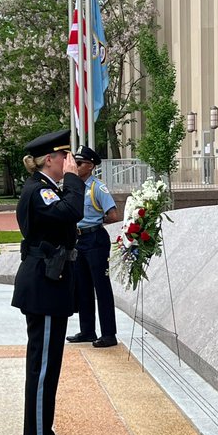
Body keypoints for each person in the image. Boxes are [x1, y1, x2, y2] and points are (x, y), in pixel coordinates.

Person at [12, 129, 84, 435]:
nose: (69, 161)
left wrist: (70, 182)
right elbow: (71, 214)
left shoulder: (49, 190)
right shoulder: (40, 191)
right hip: (44, 285)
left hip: (49, 284)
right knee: (42, 368)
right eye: (65, 156)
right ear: (50, 159)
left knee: (48, 366)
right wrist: (73, 180)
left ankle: (43, 433)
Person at [66, 145, 119, 348]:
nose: (75, 166)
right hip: (78, 240)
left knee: (101, 287)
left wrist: (96, 222)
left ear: (90, 166)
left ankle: (109, 334)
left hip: (95, 238)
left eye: (79, 163)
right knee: (83, 286)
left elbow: (113, 215)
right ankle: (87, 331)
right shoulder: (73, 186)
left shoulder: (98, 187)